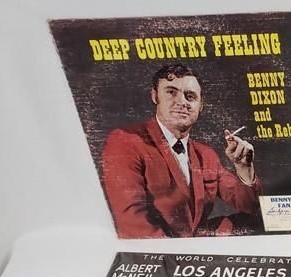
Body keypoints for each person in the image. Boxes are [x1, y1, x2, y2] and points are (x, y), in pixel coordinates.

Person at [101, 63, 260, 238]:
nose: (182, 102)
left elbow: (250, 207)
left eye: (190, 96)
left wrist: (244, 168)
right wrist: (184, 252)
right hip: (161, 251)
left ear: (200, 105)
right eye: (171, 92)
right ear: (155, 96)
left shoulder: (206, 155)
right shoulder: (125, 141)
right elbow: (132, 222)